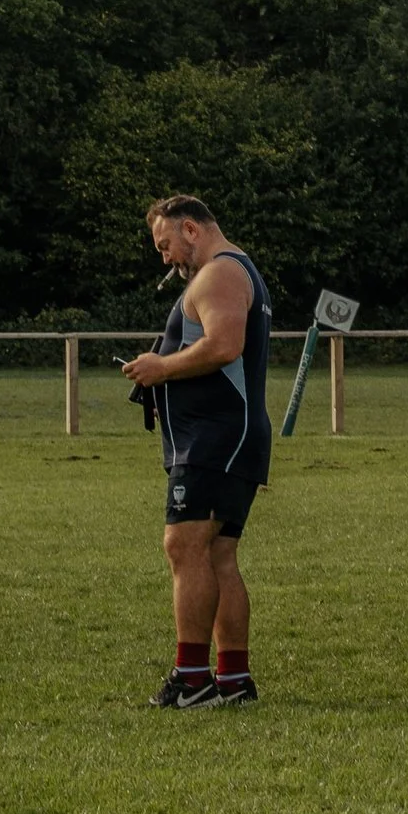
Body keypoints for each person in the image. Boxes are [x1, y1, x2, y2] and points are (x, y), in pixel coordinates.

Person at [123, 196, 274, 709]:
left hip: (216, 438)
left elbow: (224, 344)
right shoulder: (229, 271)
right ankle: (233, 679)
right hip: (227, 437)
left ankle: (191, 679)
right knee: (218, 555)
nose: (165, 258)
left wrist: (160, 368)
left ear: (191, 228)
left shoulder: (220, 273)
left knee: (183, 547)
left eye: (166, 245)